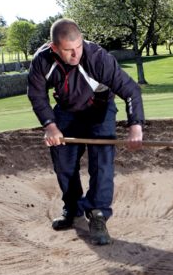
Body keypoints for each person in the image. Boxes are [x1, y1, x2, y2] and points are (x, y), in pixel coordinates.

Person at [27, 18, 145, 245]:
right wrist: (50, 126)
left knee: (101, 162)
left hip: (100, 110)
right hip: (67, 110)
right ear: (54, 48)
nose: (75, 54)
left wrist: (135, 125)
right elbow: (37, 95)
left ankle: (98, 214)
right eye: (68, 50)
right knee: (63, 161)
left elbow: (131, 91)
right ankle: (72, 208)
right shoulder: (42, 60)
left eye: (78, 47)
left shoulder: (98, 58)